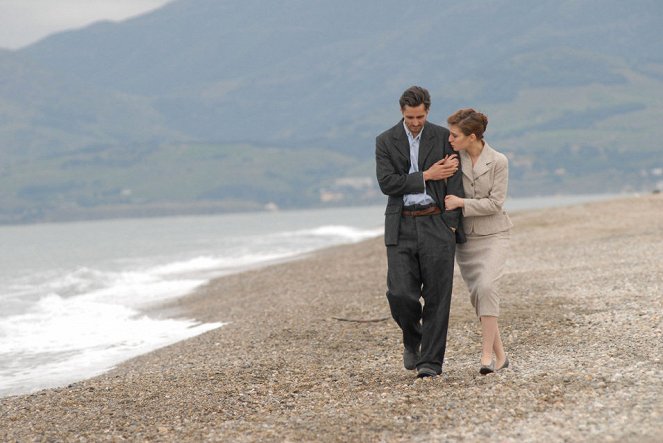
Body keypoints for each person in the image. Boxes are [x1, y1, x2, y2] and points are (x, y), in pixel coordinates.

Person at [375, 86, 464, 378]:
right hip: (401, 224)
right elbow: (388, 183)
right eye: (411, 117)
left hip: (436, 222)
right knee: (400, 294)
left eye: (421, 116)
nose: (416, 122)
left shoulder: (442, 138)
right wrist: (426, 175)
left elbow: (455, 182)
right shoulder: (385, 141)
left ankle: (431, 362)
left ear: (428, 111)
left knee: (439, 296)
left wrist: (450, 224)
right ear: (402, 111)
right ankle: (413, 339)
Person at [443, 108, 513, 374]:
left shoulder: (498, 161)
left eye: (455, 135)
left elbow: (495, 203)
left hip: (495, 234)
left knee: (486, 287)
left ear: (472, 136)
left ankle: (486, 356)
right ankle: (501, 355)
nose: (450, 139)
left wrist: (461, 203)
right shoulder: (452, 159)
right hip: (465, 240)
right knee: (478, 296)